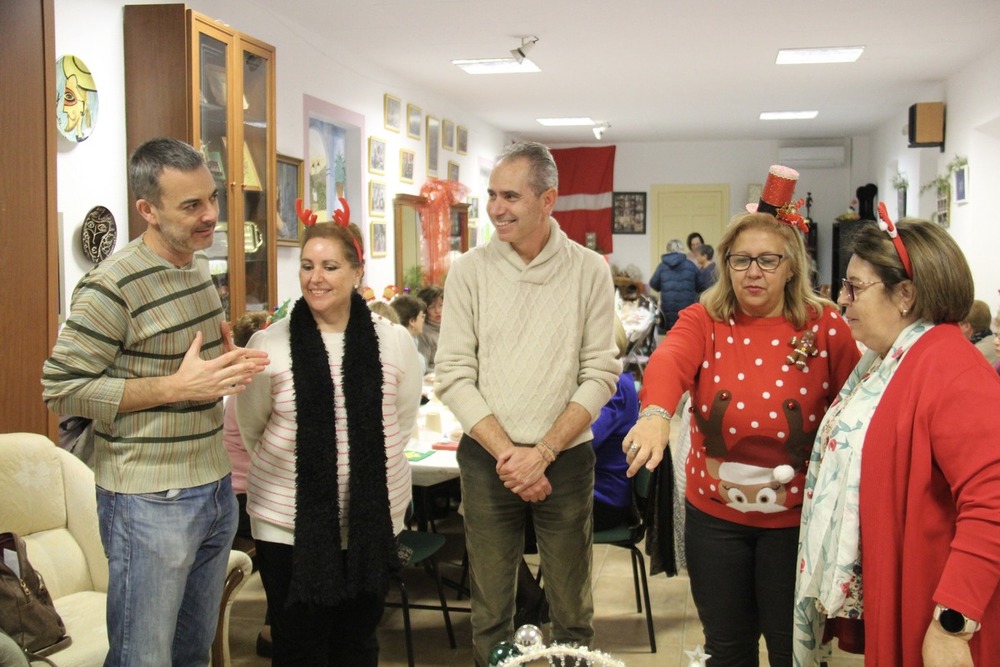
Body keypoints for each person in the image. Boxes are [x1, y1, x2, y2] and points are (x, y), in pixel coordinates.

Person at [40, 136, 269, 666]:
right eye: (191, 206)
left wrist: (224, 364)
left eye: (211, 198)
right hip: (148, 499)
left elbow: (188, 364)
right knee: (143, 657)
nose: (210, 215)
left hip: (213, 488)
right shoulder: (110, 287)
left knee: (192, 654)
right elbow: (62, 387)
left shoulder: (196, 267)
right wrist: (176, 387)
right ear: (147, 209)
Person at [621, 165, 861, 665]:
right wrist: (657, 413)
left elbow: (852, 407)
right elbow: (668, 359)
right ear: (724, 265)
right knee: (727, 647)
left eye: (768, 260)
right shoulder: (704, 319)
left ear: (791, 265)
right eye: (741, 260)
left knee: (791, 648)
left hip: (797, 522)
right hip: (716, 520)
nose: (753, 272)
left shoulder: (825, 325)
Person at [435, 141, 620, 666]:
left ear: (548, 200)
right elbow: (452, 373)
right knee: (491, 604)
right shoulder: (470, 270)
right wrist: (509, 455)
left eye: (511, 196)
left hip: (564, 458)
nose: (497, 208)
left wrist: (541, 453)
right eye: (492, 195)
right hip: (487, 457)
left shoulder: (588, 270)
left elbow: (601, 372)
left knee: (571, 606)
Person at [794, 209, 1000, 666]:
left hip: (942, 610)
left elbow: (993, 502)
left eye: (855, 287)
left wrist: (953, 625)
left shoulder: (951, 368)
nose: (842, 301)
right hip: (908, 593)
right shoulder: (891, 363)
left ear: (905, 294)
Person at [237, 208, 423, 665]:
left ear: (357, 272)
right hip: (287, 523)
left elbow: (399, 423)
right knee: (298, 642)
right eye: (307, 266)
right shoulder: (269, 345)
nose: (315, 278)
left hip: (372, 520)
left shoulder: (393, 341)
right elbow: (252, 427)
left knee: (357, 641)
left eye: (330, 266)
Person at [222, 309, 272, 657]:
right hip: (241, 501)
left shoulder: (243, 385)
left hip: (243, 494)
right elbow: (265, 451)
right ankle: (274, 630)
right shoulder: (249, 388)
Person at [649, 239, 699, 335]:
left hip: (668, 311)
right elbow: (701, 285)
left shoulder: (662, 267)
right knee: (687, 335)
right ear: (682, 249)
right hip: (687, 311)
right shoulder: (690, 265)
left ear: (667, 250)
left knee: (671, 337)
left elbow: (653, 284)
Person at [416, 284, 444, 372]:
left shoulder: (454, 327)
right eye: (431, 307)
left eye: (441, 305)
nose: (437, 311)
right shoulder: (422, 332)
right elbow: (423, 367)